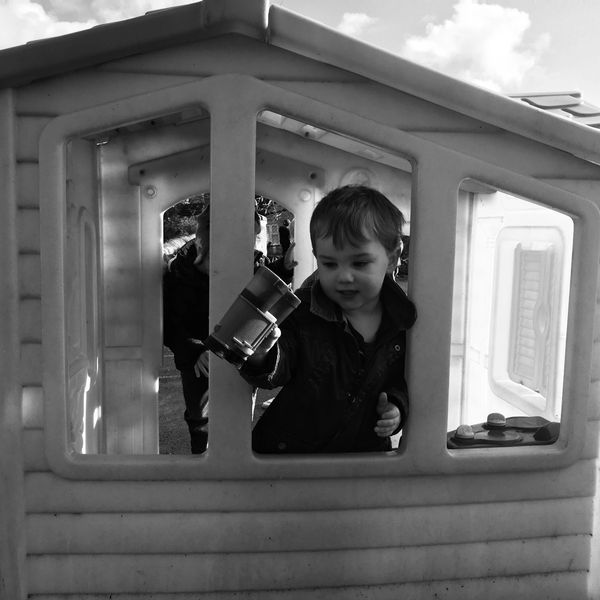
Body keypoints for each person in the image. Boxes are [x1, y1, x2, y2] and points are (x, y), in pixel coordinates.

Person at [239, 184, 417, 453]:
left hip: (359, 459)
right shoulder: (305, 312)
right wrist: (263, 355)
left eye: (360, 263)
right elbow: (278, 368)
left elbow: (405, 379)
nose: (344, 277)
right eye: (330, 264)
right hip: (290, 458)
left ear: (393, 257)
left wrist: (396, 406)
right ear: (316, 259)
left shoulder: (403, 323)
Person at [162, 206, 210, 454]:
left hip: (234, 349)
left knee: (239, 411)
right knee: (199, 416)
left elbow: (259, 299)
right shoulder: (179, 274)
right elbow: (170, 324)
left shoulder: (251, 261)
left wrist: (286, 267)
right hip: (195, 357)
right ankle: (201, 457)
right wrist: (195, 350)